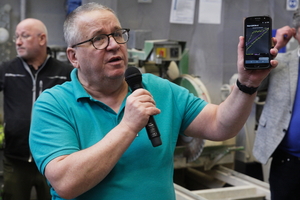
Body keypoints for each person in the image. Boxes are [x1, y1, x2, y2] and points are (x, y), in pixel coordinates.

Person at [28, 2, 278, 200]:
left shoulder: (159, 89)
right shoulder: (53, 105)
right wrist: (127, 127)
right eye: (99, 39)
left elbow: (220, 125)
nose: (114, 45)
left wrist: (247, 84)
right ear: (73, 56)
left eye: (117, 34)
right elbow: (65, 184)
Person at [0, 18, 73, 200]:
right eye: (17, 37)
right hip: (15, 159)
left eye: (24, 36)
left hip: (54, 159)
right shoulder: (7, 69)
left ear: (42, 39)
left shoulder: (65, 72)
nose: (17, 42)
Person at [253, 9, 300, 200]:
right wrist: (273, 46)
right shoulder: (279, 63)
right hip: (287, 162)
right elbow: (240, 85)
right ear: (296, 32)